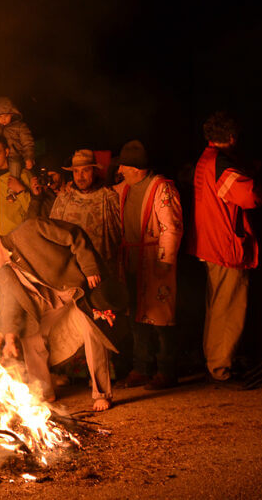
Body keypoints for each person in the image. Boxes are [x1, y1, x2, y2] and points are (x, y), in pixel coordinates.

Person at [0, 217, 126, 411]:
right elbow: (10, 303)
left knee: (93, 332)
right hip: (50, 306)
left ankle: (102, 394)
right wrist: (9, 336)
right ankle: (42, 392)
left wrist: (90, 268)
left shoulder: (30, 228)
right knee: (30, 336)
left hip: (76, 293)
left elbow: (75, 235)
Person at [187, 111, 262, 382]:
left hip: (210, 242)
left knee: (217, 306)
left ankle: (215, 361)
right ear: (233, 137)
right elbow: (246, 195)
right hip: (225, 245)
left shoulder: (206, 159)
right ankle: (221, 367)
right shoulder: (221, 163)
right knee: (229, 308)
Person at [112, 141, 184, 389]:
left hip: (155, 262)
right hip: (132, 261)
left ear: (137, 169)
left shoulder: (162, 188)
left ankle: (166, 371)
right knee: (136, 317)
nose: (119, 169)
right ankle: (141, 367)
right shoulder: (126, 188)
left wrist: (166, 261)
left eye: (124, 165)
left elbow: (171, 227)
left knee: (162, 320)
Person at [50, 149, 126, 377]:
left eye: (85, 170)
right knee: (73, 323)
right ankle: (76, 374)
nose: (80, 176)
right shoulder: (63, 200)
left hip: (102, 273)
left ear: (94, 171)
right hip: (72, 274)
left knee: (104, 321)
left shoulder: (108, 197)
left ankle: (110, 372)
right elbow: (53, 235)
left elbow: (120, 233)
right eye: (76, 172)